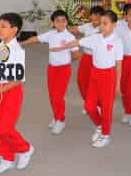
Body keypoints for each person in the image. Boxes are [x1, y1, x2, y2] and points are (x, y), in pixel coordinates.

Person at [50, 10, 123, 148]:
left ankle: (105, 135)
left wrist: (117, 84)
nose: (101, 26)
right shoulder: (96, 37)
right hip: (95, 74)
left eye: (105, 24)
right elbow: (77, 41)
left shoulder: (117, 41)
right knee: (89, 106)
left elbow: (119, 65)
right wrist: (61, 47)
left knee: (107, 108)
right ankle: (100, 125)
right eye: (101, 23)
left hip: (108, 76)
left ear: (114, 25)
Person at [0, 13, 34, 174]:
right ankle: (6, 158)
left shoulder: (17, 51)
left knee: (5, 128)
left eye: (3, 26)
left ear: (14, 30)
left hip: (11, 91)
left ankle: (25, 148)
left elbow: (17, 79)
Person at [21, 10, 79, 135]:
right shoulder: (51, 34)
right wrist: (21, 44)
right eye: (57, 21)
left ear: (67, 22)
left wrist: (66, 52)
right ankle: (56, 116)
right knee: (52, 95)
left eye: (63, 21)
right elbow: (35, 39)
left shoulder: (70, 37)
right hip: (51, 69)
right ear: (53, 22)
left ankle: (60, 120)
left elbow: (76, 55)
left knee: (58, 96)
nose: (61, 23)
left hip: (64, 70)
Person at [69, 5, 104, 115]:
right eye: (93, 18)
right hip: (86, 57)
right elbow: (74, 29)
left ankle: (98, 105)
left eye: (97, 19)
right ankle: (88, 103)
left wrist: (80, 40)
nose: (95, 21)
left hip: (99, 59)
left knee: (97, 84)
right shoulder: (87, 26)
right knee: (82, 81)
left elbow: (91, 39)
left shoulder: (104, 28)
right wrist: (61, 28)